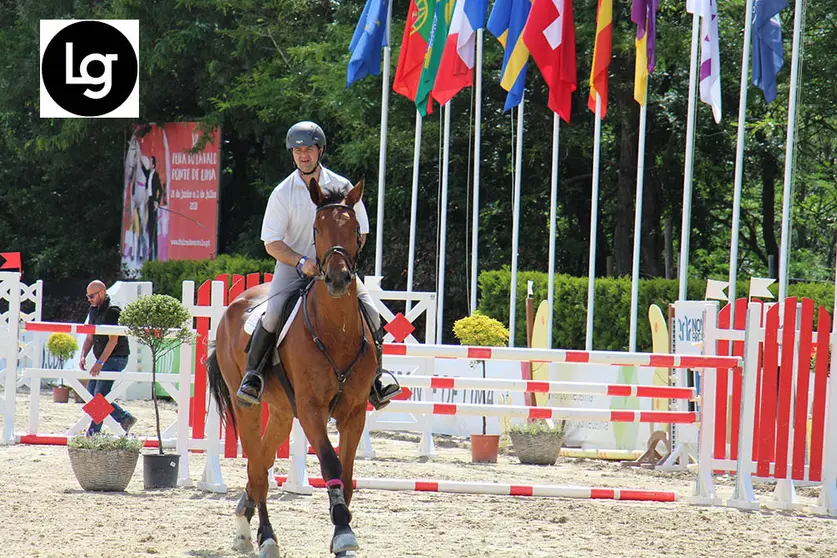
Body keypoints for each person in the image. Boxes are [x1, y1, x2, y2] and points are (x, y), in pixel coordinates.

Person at [236, 121, 401, 410]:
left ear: (320, 151)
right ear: (292, 155)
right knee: (273, 314)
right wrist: (302, 261)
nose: (303, 156)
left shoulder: (341, 186)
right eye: (298, 151)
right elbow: (271, 243)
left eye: (308, 150)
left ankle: (377, 379)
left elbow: (360, 231)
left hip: (336, 267)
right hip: (293, 265)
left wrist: (341, 261)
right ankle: (253, 377)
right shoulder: (282, 193)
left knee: (372, 314)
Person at [79, 281, 137, 435]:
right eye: (87, 296)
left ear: (102, 292)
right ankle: (124, 417)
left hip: (117, 357)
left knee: (99, 396)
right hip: (104, 358)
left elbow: (113, 341)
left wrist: (99, 362)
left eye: (91, 296)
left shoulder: (113, 311)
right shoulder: (93, 310)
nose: (89, 299)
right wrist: (83, 355)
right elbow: (89, 338)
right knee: (91, 394)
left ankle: (93, 432)